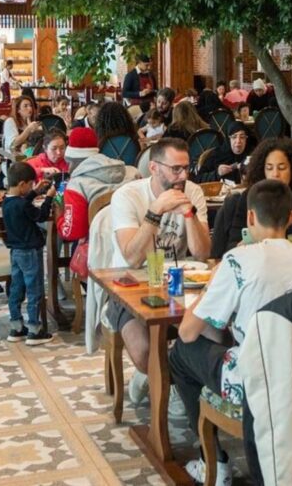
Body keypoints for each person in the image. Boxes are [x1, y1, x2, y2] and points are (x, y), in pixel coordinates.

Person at [170, 180, 292, 484]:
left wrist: (210, 286)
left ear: (250, 217)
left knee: (180, 353)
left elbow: (188, 333)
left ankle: (213, 461)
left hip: (255, 380)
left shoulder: (238, 261)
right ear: (291, 218)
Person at [107, 138, 212, 398]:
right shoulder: (128, 196)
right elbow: (132, 258)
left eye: (186, 168)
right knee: (145, 352)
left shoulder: (193, 192)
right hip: (128, 287)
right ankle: (157, 374)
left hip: (181, 285)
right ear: (154, 168)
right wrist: (155, 212)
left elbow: (202, 254)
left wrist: (189, 214)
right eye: (176, 169)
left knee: (216, 336)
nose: (183, 176)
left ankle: (172, 381)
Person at [211, 137, 292, 257]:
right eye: (269, 168)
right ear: (262, 170)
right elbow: (232, 246)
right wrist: (251, 238)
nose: (275, 174)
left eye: (282, 168)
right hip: (256, 260)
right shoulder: (250, 196)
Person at [2, 161, 55, 345]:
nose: (32, 187)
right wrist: (48, 198)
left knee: (16, 289)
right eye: (31, 184)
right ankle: (34, 329)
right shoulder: (23, 205)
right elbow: (40, 216)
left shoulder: (7, 201)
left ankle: (16, 327)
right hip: (30, 252)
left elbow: (22, 203)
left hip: (15, 252)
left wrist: (35, 192)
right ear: (22, 184)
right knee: (35, 290)